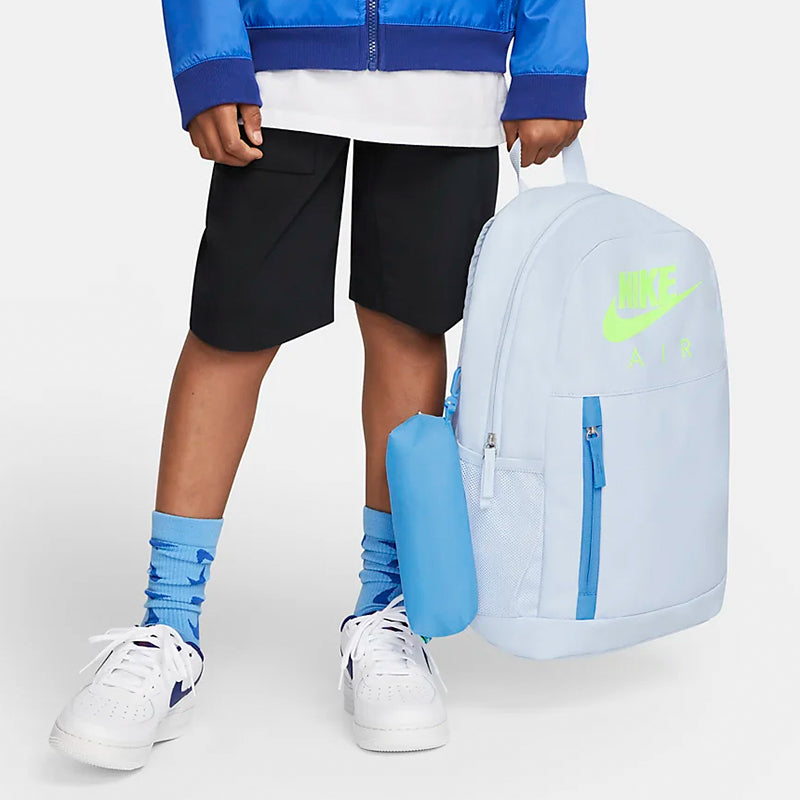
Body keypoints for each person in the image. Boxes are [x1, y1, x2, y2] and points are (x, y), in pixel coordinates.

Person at [50, 0, 587, 769]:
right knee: (233, 328)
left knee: (410, 327)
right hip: (279, 75)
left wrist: (550, 66)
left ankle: (386, 616)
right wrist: (209, 60)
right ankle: (167, 627)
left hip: (450, 74)